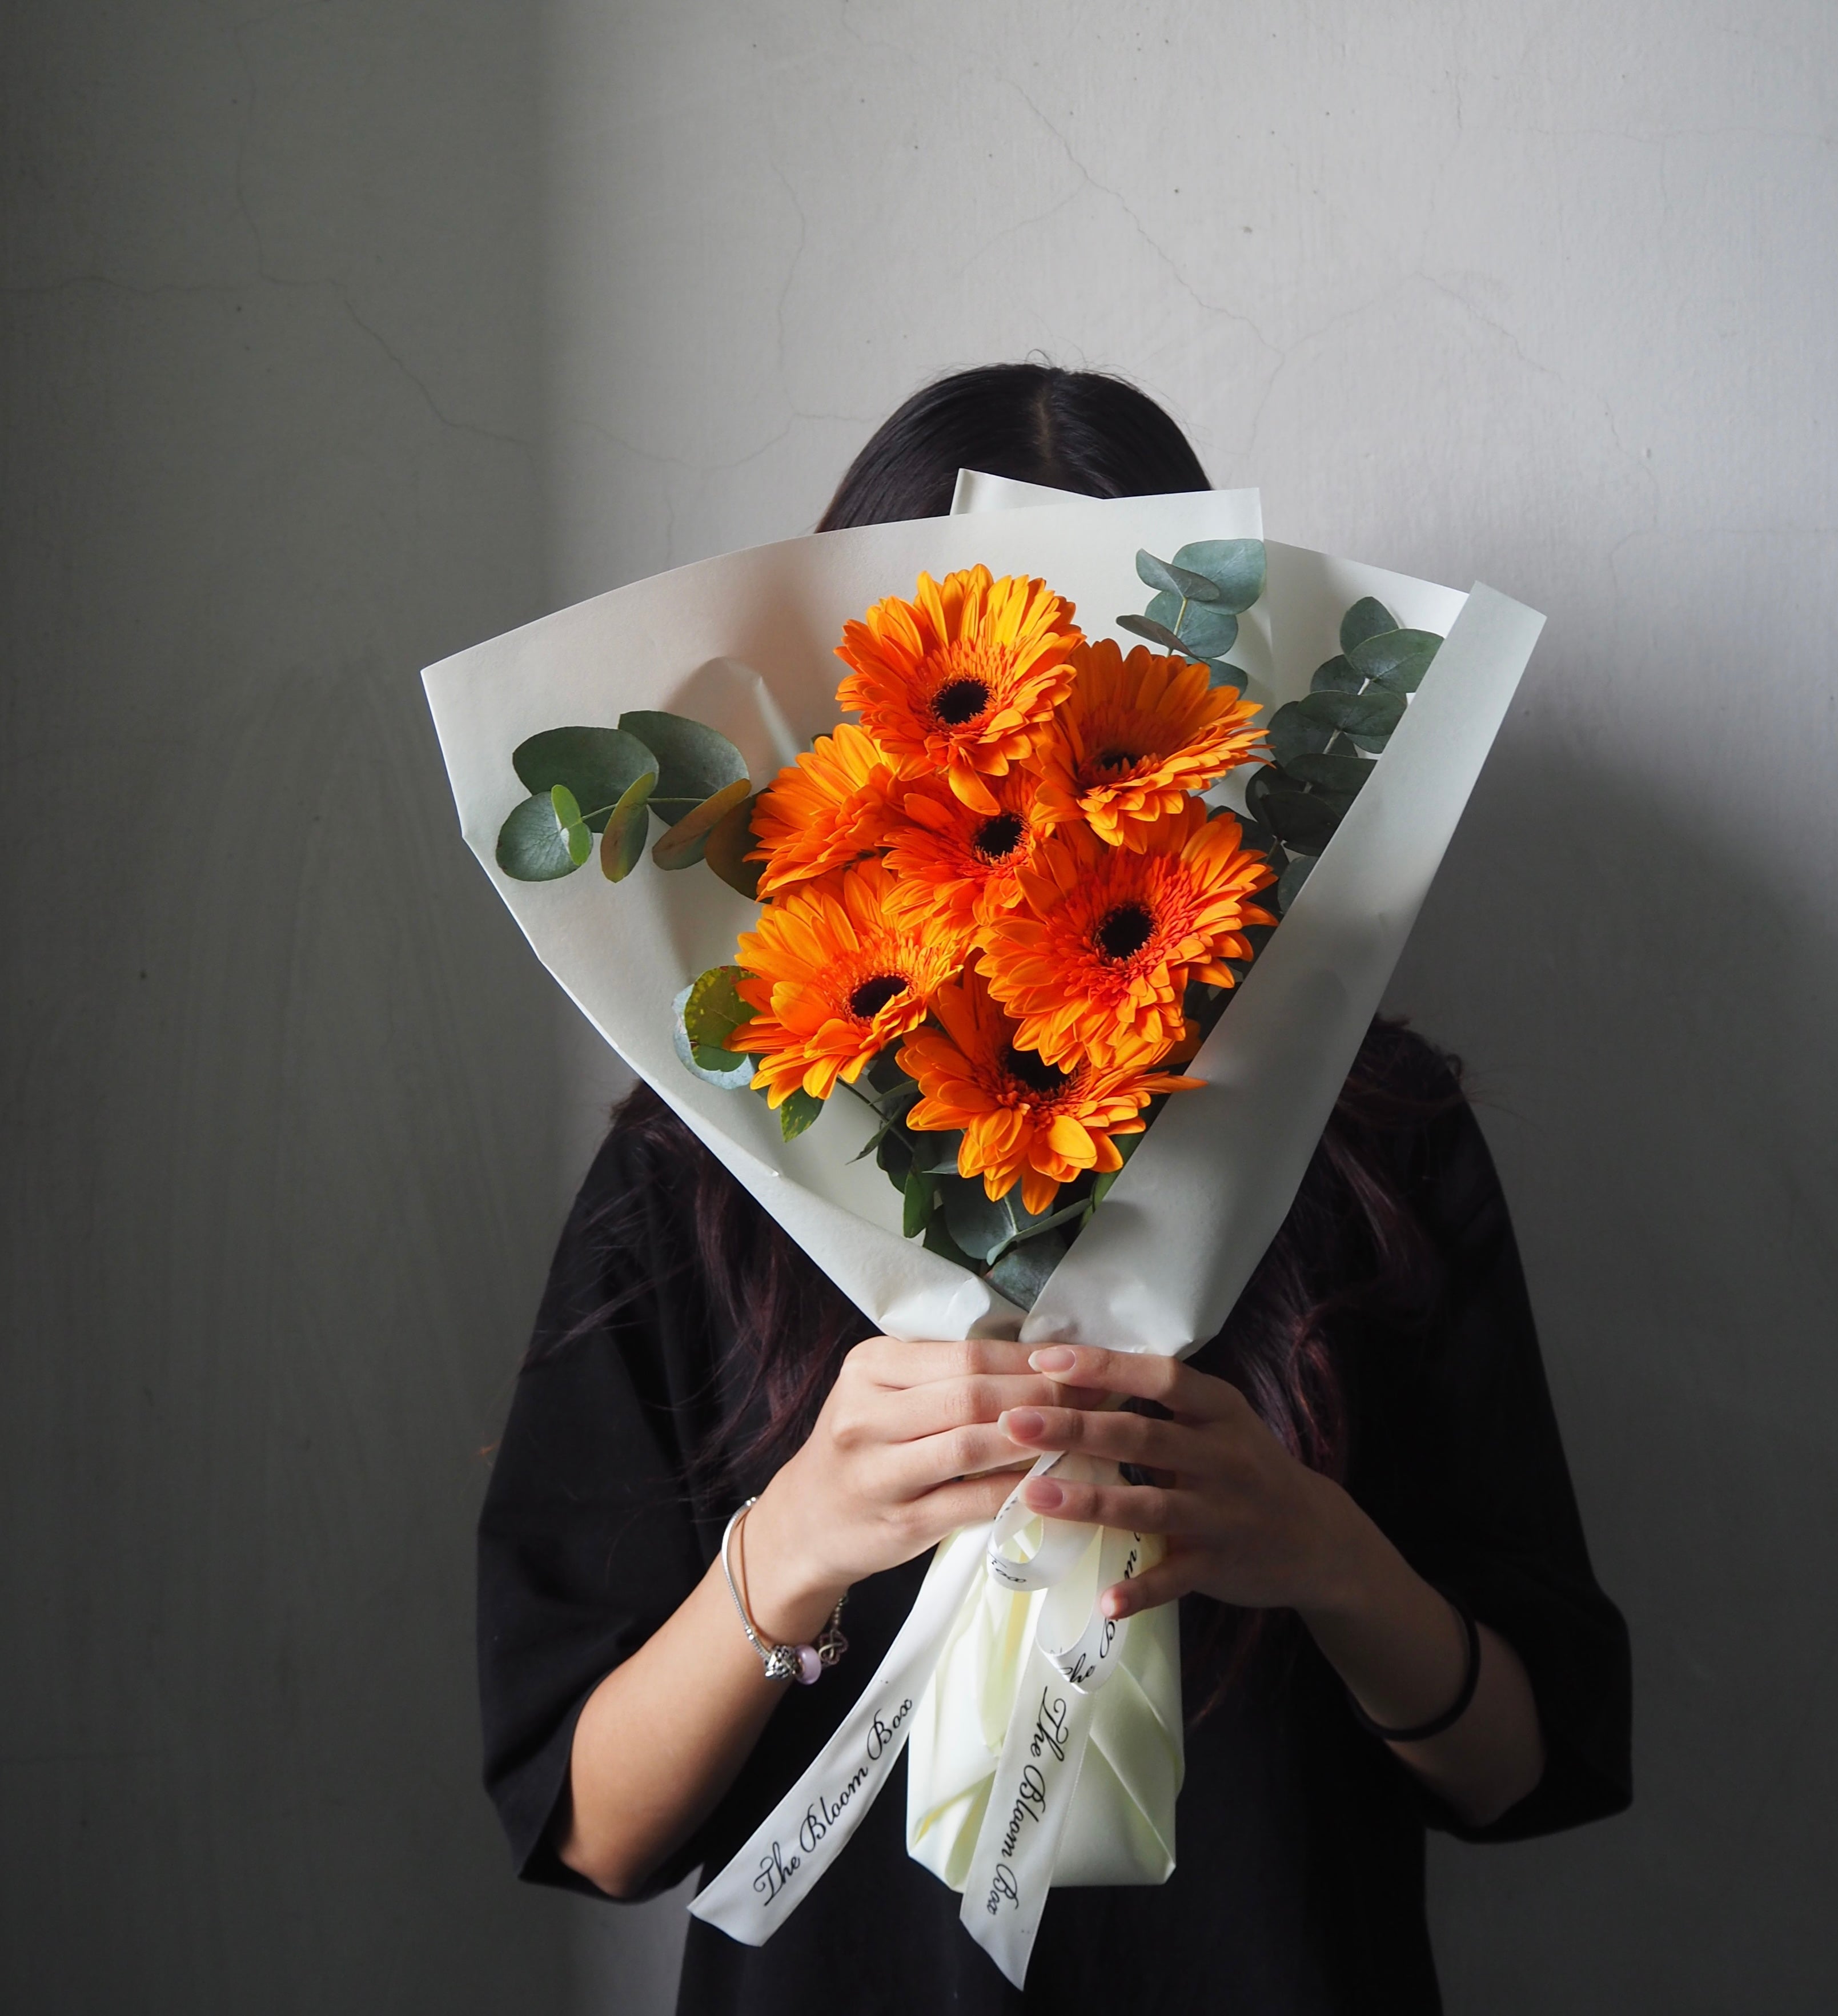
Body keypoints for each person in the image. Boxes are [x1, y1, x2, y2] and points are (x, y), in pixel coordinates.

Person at [477, 363, 1632, 2014]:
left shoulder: (1373, 1131)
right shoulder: (704, 1167)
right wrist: (794, 1541)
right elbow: (588, 1825)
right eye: (966, 709)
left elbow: (1526, 1766)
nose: (1021, 773)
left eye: (1090, 705)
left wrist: (1319, 1551)